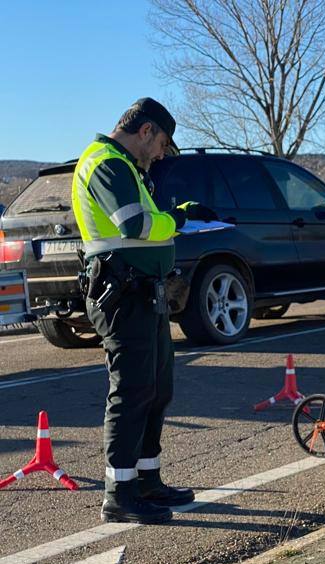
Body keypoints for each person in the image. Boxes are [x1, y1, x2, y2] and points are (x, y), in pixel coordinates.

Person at [71, 98, 217, 524]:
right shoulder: (106, 163)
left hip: (142, 293)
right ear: (147, 130)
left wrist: (174, 213)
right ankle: (119, 494)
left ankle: (148, 482)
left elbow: (145, 221)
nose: (160, 155)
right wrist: (177, 220)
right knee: (132, 392)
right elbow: (135, 225)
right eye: (161, 145)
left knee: (156, 388)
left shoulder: (127, 166)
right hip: (121, 295)